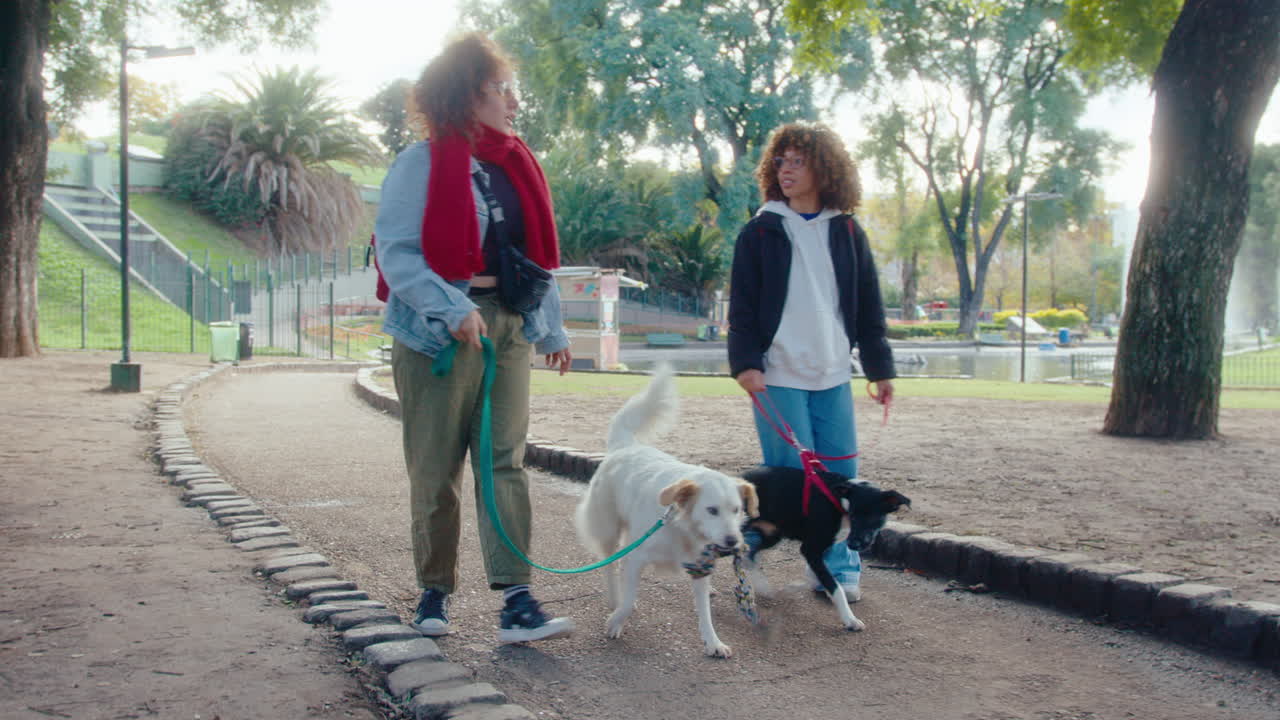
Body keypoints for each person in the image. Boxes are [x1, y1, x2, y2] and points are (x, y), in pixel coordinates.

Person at [373, 32, 574, 644]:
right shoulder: (421, 163)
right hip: (437, 336)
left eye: (513, 90)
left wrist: (552, 329)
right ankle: (433, 593)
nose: (514, 102)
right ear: (467, 94)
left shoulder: (517, 162)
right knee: (436, 471)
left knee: (504, 462)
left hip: (507, 325)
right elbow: (398, 254)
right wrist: (451, 306)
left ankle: (517, 599)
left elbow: (533, 256)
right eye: (502, 89)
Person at [727, 122, 896, 601]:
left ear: (825, 168)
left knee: (844, 476)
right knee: (794, 482)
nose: (787, 170)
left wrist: (880, 369)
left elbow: (868, 307)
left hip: (833, 374)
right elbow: (741, 307)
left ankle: (840, 568)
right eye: (781, 160)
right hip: (777, 374)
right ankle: (756, 551)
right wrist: (746, 364)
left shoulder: (846, 230)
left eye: (798, 160)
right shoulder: (760, 231)